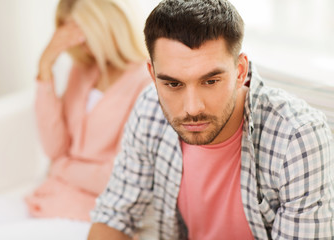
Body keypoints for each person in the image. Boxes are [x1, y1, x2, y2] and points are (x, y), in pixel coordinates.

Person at [88, 0, 334, 239]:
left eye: (210, 81)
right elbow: (113, 216)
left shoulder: (298, 137)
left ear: (240, 71)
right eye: (173, 84)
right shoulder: (149, 108)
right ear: (153, 75)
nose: (193, 108)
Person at [26, 0, 151, 221]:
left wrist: (61, 168)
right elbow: (55, 149)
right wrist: (45, 68)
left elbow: (118, 177)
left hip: (93, 214)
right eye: (67, 31)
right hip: (48, 200)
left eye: (80, 31)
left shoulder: (145, 82)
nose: (76, 42)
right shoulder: (82, 70)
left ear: (106, 25)